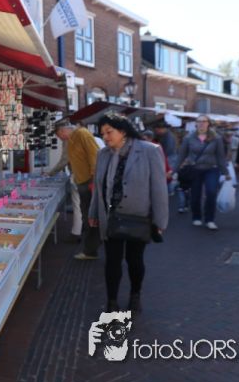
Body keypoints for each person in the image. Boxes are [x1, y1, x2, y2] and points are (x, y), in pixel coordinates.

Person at [89, 114, 168, 314]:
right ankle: (112, 301)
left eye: (109, 132)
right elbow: (98, 186)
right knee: (112, 260)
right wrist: (94, 212)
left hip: (138, 217)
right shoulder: (103, 154)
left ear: (123, 131)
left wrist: (160, 221)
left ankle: (135, 295)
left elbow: (159, 188)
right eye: (102, 133)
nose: (105, 137)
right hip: (110, 217)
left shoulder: (149, 151)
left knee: (135, 260)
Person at [51, 120, 100, 259]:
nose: (61, 138)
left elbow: (94, 156)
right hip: (81, 181)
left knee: (90, 216)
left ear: (63, 130)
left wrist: (94, 180)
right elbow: (67, 159)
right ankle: (90, 248)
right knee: (87, 215)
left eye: (59, 135)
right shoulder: (71, 139)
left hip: (88, 182)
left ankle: (91, 249)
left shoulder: (82, 134)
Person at [177, 115, 228, 230]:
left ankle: (210, 219)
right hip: (195, 169)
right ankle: (196, 216)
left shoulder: (217, 138)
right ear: (196, 123)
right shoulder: (189, 138)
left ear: (208, 123)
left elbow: (220, 156)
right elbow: (181, 155)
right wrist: (174, 170)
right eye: (199, 121)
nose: (201, 123)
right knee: (195, 194)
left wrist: (225, 172)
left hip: (212, 168)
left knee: (211, 192)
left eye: (204, 121)